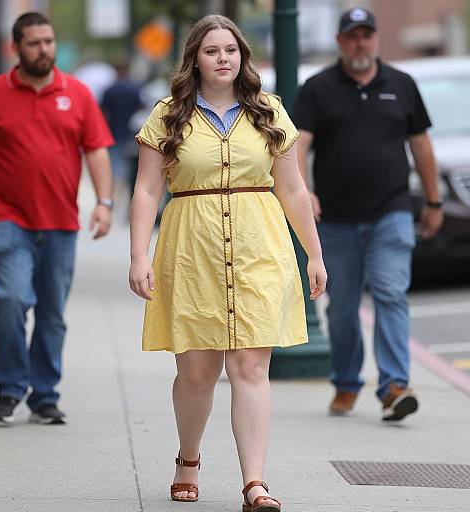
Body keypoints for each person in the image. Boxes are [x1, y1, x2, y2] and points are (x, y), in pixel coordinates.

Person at [128, 14, 326, 511]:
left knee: (250, 365)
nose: (223, 58)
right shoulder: (168, 114)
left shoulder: (269, 113)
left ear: (243, 57)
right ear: (195, 57)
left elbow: (294, 188)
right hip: (191, 249)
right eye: (213, 50)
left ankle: (254, 483)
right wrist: (137, 255)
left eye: (231, 50)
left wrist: (314, 253)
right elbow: (148, 188)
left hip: (260, 247)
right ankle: (188, 459)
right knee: (196, 371)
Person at [0, 12, 114, 425]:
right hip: (7, 218)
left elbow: (96, 149)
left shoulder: (77, 94)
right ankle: (10, 387)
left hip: (61, 221)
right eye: (34, 42)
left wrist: (104, 202)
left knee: (51, 312)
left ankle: (44, 394)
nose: (44, 49)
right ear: (16, 47)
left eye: (48, 41)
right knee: (10, 299)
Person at [293, 7, 443, 422]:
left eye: (367, 35)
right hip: (337, 219)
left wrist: (433, 202)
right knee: (342, 305)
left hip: (391, 211)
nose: (361, 43)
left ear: (376, 39)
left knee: (391, 292)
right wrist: (305, 191)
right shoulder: (318, 88)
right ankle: (345, 380)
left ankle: (395, 385)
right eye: (352, 36)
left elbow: (422, 147)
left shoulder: (403, 84)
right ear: (340, 42)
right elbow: (299, 144)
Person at [101, 60, 142, 209]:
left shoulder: (110, 90)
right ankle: (122, 197)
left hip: (112, 133)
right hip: (131, 133)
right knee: (127, 167)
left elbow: (103, 112)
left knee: (113, 166)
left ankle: (112, 196)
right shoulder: (135, 89)